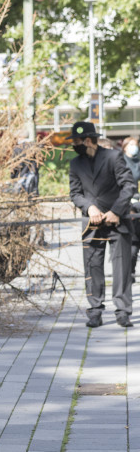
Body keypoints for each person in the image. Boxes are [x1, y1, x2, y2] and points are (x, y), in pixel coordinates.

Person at [68, 121, 136, 328]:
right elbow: (75, 193)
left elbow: (128, 186)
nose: (74, 145)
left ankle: (123, 311)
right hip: (92, 224)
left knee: (122, 268)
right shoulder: (75, 164)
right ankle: (95, 310)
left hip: (118, 222)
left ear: (88, 140)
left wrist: (116, 211)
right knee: (93, 267)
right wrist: (89, 208)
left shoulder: (113, 157)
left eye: (77, 141)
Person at [122, 137, 140, 283]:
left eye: (136, 145)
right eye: (132, 145)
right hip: (130, 205)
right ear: (125, 147)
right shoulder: (121, 162)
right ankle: (130, 273)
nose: (135, 147)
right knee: (133, 245)